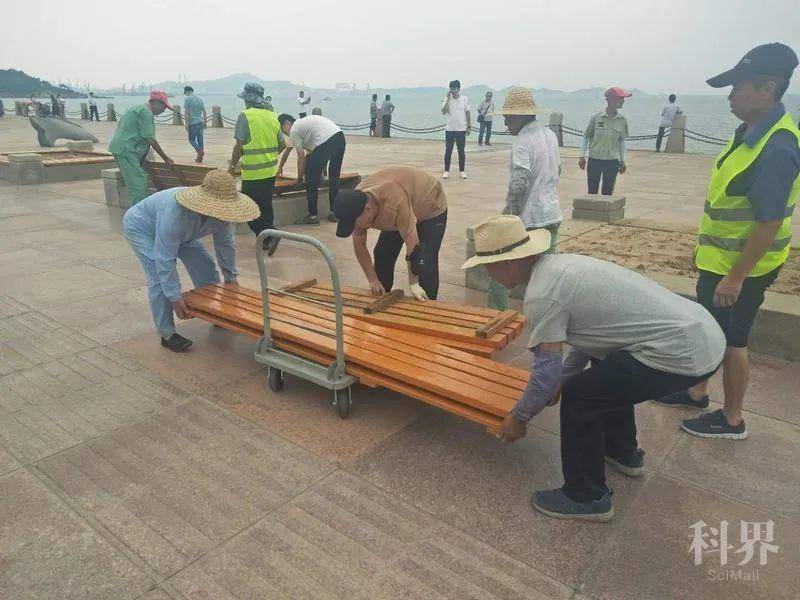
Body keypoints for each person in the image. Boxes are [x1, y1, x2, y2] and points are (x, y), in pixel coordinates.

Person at [463, 215, 725, 522]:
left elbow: (546, 373)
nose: (489, 275)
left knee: (581, 395)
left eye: (488, 267)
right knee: (604, 371)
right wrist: (563, 376)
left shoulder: (542, 295)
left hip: (681, 354)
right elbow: (593, 338)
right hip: (703, 332)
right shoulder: (562, 267)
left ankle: (586, 496)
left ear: (509, 263)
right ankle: (622, 452)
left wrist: (518, 418)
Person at [656, 43, 799, 440]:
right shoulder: (750, 131)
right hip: (720, 261)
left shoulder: (776, 146)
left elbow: (768, 222)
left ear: (768, 89)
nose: (731, 95)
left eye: (738, 86)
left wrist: (736, 278)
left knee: (733, 341)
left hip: (742, 270)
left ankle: (732, 418)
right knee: (710, 331)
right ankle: (697, 391)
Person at [122, 169, 259, 352]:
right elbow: (165, 260)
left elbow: (226, 246)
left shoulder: (223, 215)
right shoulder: (175, 213)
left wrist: (231, 280)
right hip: (141, 227)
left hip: (185, 234)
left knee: (206, 266)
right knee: (157, 274)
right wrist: (175, 298)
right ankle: (167, 334)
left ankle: (213, 312)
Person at [485, 87, 562, 310]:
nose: (506, 123)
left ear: (521, 116)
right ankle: (545, 317)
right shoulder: (550, 135)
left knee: (501, 271)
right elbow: (558, 170)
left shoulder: (523, 141)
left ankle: (495, 315)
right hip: (551, 214)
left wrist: (508, 217)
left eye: (508, 118)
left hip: (529, 220)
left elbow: (519, 183)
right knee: (545, 276)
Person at [333, 166, 447, 301]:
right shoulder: (356, 203)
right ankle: (382, 294)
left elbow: (412, 242)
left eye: (354, 223)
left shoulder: (394, 203)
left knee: (425, 260)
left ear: (367, 210)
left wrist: (414, 283)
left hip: (429, 204)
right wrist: (373, 280)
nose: (355, 228)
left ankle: (428, 305)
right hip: (403, 204)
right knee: (383, 252)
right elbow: (360, 247)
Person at [230, 83, 285, 256]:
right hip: (270, 170)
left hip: (253, 172)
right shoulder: (272, 116)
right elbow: (282, 144)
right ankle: (266, 240)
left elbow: (239, 145)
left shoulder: (245, 116)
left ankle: (271, 234)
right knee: (265, 206)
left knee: (247, 209)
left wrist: (232, 165)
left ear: (248, 99)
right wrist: (269, 157)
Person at [277, 113, 346, 225]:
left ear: (286, 123)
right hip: (340, 137)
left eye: (282, 129)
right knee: (334, 177)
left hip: (327, 139)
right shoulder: (303, 126)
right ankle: (334, 213)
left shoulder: (294, 130)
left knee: (311, 180)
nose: (284, 133)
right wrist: (321, 170)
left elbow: (301, 156)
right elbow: (315, 153)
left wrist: (300, 178)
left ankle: (313, 216)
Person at [108, 90, 174, 205]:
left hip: (124, 149)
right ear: (156, 102)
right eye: (164, 106)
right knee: (138, 182)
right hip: (127, 151)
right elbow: (150, 139)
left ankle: (139, 209)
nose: (164, 110)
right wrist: (166, 158)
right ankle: (138, 213)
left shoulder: (137, 108)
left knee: (136, 180)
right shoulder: (146, 113)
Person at [579, 87, 631, 195]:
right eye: (620, 98)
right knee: (592, 192)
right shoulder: (596, 118)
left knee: (608, 193)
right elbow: (586, 136)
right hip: (595, 160)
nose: (623, 101)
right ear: (610, 100)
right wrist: (581, 156)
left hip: (612, 162)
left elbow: (621, 141)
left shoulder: (622, 121)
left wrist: (622, 160)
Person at [441, 80, 471, 179]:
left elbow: (467, 112)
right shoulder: (447, 98)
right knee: (448, 150)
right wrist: (448, 99)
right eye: (451, 89)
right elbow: (443, 112)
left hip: (461, 129)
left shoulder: (464, 99)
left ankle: (462, 171)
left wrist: (469, 126)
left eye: (454, 89)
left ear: (458, 89)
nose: (453, 91)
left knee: (461, 151)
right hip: (450, 129)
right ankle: (446, 171)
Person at [183, 86, 207, 163]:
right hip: (200, 122)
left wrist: (186, 124)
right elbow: (204, 111)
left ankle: (199, 151)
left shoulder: (187, 99)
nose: (185, 94)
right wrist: (205, 122)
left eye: (185, 93)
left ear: (188, 91)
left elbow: (186, 113)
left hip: (192, 123)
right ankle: (200, 158)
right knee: (200, 140)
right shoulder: (200, 99)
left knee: (192, 140)